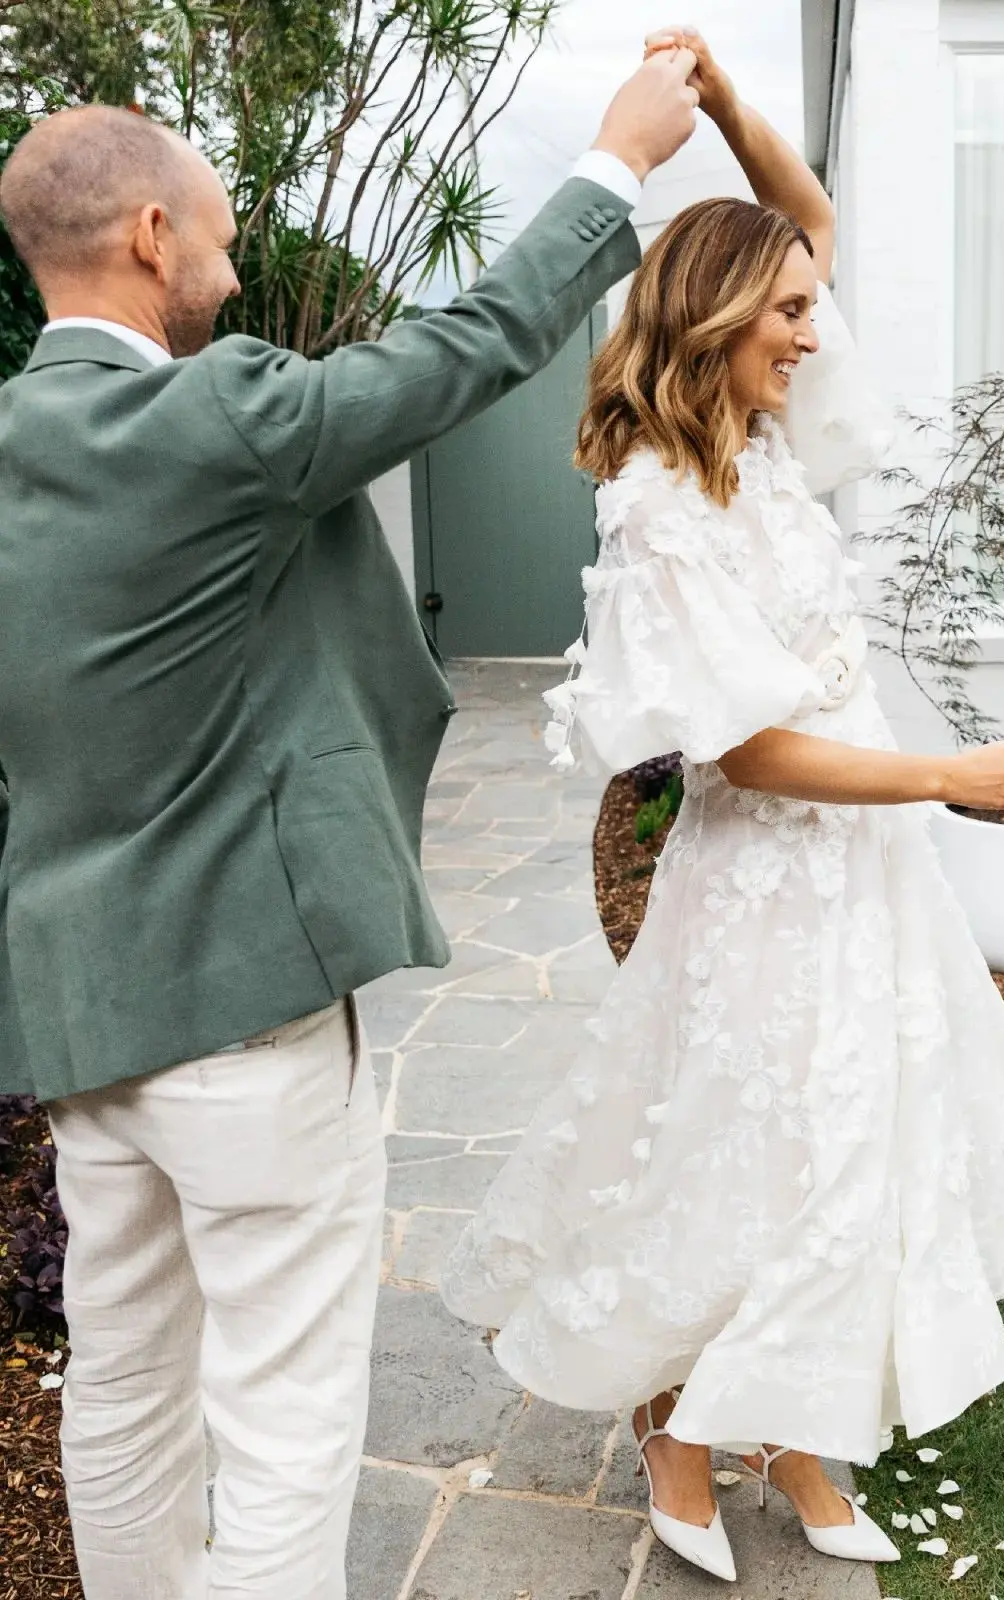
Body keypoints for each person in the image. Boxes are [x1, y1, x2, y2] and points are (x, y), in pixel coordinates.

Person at [0, 51, 700, 1600]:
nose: (234, 265)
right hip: (243, 1018)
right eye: (223, 233)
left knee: (118, 1380)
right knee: (285, 1409)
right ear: (148, 237)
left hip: (75, 1021)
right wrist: (614, 164)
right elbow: (474, 345)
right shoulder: (216, 417)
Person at [442, 28, 1004, 1584]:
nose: (814, 330)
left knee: (861, 1145)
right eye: (789, 311)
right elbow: (741, 752)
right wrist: (946, 775)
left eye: (807, 308)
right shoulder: (664, 503)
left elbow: (808, 214)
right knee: (758, 1153)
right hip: (762, 877)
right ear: (722, 322)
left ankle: (792, 1440)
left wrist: (730, 108)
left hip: (861, 870)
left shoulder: (769, 446)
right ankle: (684, 1439)